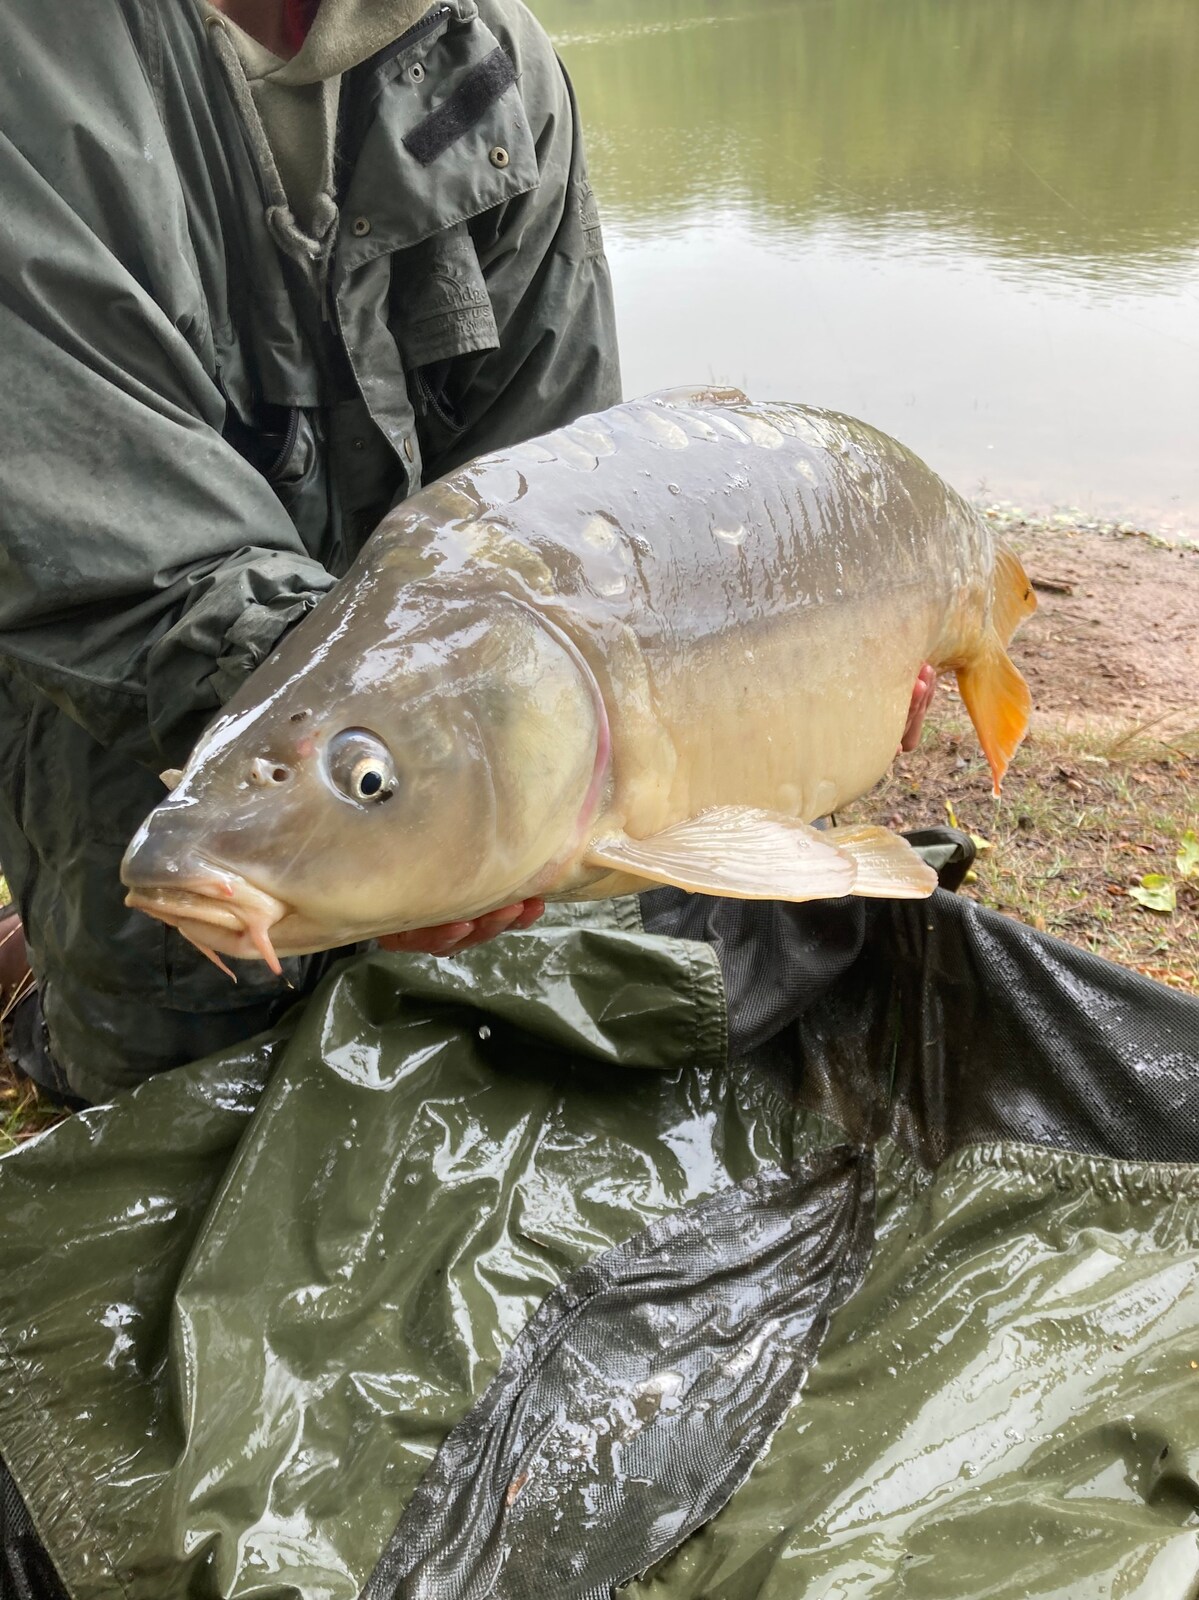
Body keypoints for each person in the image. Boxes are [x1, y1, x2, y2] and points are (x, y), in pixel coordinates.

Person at [0, 0, 936, 1107]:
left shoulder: (494, 59)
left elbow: (560, 504)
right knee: (183, 1091)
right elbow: (124, 567)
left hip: (404, 696)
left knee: (548, 993)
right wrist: (392, 769)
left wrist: (511, 764)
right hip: (138, 700)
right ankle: (48, 981)